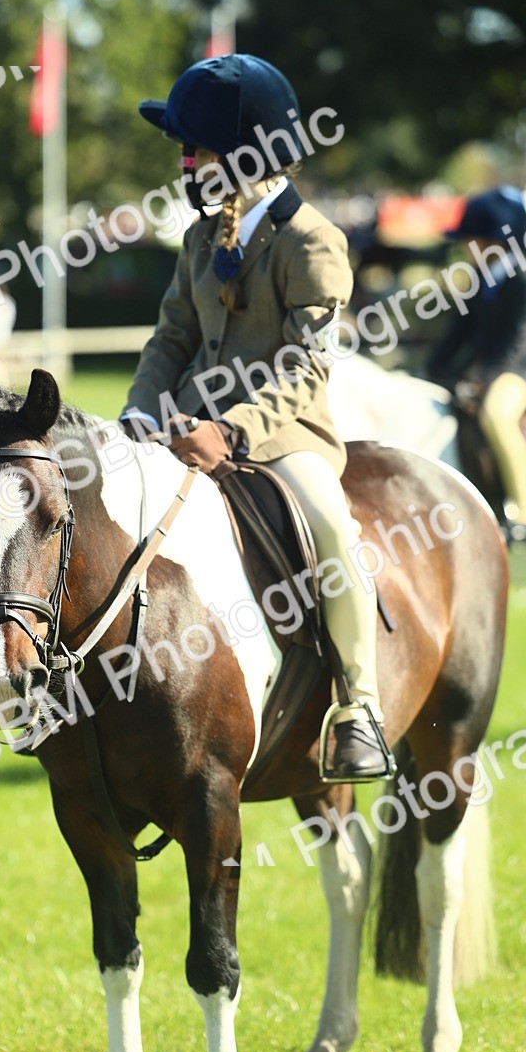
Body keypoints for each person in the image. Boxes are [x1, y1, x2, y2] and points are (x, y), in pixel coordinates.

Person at [119, 53, 388, 779]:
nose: (184, 162)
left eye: (195, 148)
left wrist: (232, 429)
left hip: (280, 436)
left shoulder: (314, 242)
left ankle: (359, 707)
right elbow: (172, 338)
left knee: (333, 530)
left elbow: (307, 367)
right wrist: (140, 412)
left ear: (242, 156)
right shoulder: (201, 239)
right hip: (186, 432)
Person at [427, 187, 526, 544]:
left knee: (496, 414)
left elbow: (521, 339)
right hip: (488, 370)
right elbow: (459, 330)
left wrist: (485, 377)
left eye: (471, 240)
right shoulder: (482, 279)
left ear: (493, 241)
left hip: (521, 372)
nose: (466, 247)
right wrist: (433, 366)